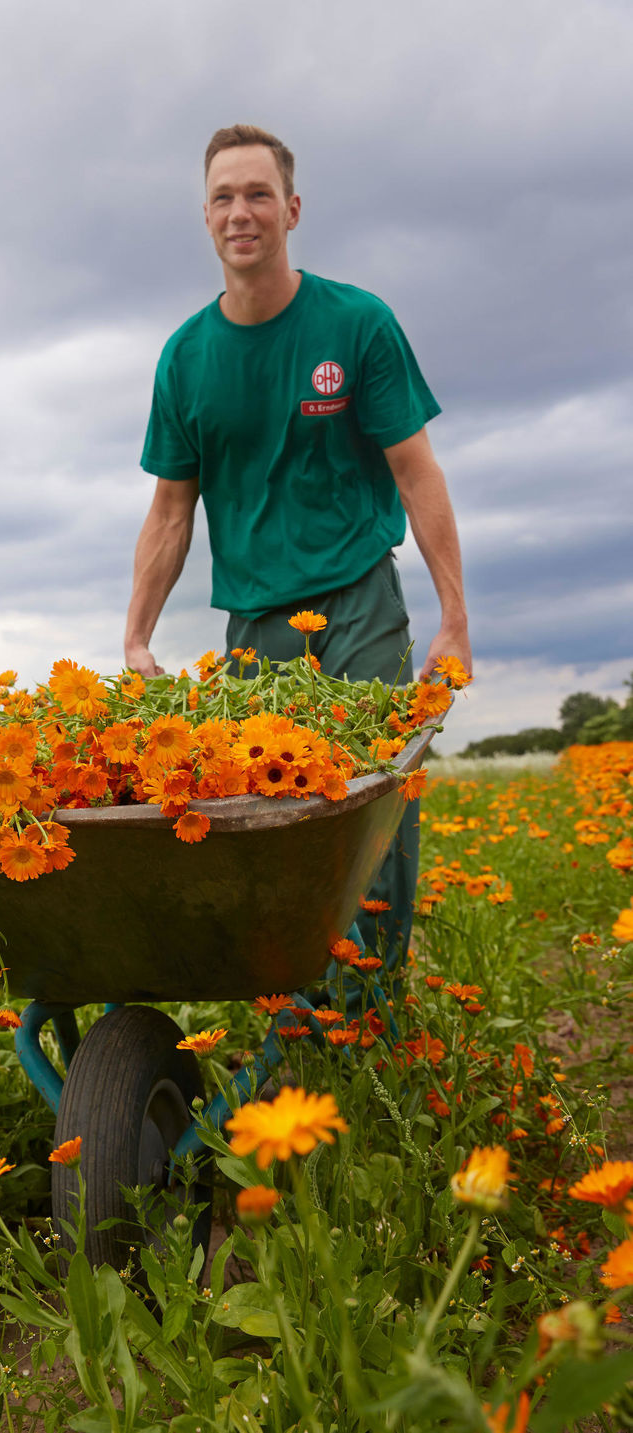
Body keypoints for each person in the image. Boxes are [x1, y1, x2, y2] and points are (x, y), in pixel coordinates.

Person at [123, 123, 471, 971]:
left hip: (357, 605)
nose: (240, 212)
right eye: (223, 197)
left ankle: (368, 1011)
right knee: (269, 819)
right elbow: (171, 510)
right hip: (254, 628)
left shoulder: (356, 324)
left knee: (366, 811)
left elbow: (417, 476)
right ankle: (297, 1000)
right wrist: (135, 635)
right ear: (204, 218)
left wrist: (454, 620)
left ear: (291, 209)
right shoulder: (185, 358)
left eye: (257, 194)